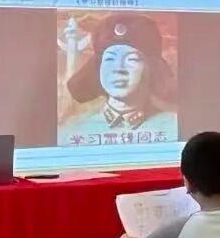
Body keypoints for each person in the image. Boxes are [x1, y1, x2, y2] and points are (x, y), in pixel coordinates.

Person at [60, 13, 179, 143]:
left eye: (132, 59)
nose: (118, 69)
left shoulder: (173, 128)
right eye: (110, 59)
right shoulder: (72, 130)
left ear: (151, 68)